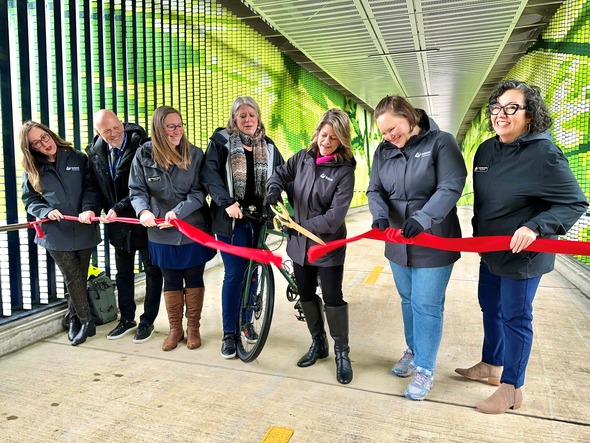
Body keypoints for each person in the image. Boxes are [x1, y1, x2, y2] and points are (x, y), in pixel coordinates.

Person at [455, 79, 588, 414]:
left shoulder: (545, 154)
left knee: (516, 317)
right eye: (497, 107)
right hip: (491, 251)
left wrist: (535, 226)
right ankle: (490, 365)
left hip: (524, 257)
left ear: (530, 116)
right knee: (490, 306)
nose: (502, 114)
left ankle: (512, 389)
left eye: (512, 107)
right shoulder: (486, 150)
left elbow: (574, 203)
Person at [366, 95, 467, 400]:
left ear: (409, 118)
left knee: (426, 304)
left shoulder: (441, 143)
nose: (388, 137)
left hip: (432, 241)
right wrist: (380, 216)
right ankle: (413, 350)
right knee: (408, 300)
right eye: (383, 133)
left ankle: (425, 369)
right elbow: (375, 189)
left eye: (393, 129)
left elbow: (451, 185)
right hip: (398, 243)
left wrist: (423, 218)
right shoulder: (383, 152)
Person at [266, 108, 356, 384]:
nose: (326, 141)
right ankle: (319, 343)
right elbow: (279, 174)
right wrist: (273, 188)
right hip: (299, 244)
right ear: (317, 132)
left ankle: (342, 353)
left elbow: (334, 217)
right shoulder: (303, 158)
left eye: (333, 138)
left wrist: (302, 225)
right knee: (304, 294)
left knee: (332, 298)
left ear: (342, 141)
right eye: (324, 135)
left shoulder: (344, 172)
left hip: (326, 245)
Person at [201, 96, 287, 359]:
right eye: (242, 116)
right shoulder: (221, 142)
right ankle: (229, 333)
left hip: (258, 220)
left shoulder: (269, 147)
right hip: (232, 220)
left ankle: (247, 320)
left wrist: (283, 206)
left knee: (253, 275)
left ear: (258, 118)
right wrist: (226, 202)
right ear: (234, 119)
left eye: (252, 115)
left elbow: (282, 176)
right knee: (236, 274)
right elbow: (209, 176)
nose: (248, 120)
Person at [129, 105, 215, 351]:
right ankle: (175, 329)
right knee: (171, 280)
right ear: (159, 128)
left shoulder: (195, 154)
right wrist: (144, 211)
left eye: (180, 125)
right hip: (160, 232)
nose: (177, 131)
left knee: (194, 277)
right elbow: (137, 190)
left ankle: (193, 328)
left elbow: (200, 192)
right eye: (171, 127)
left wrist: (177, 213)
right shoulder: (143, 155)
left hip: (192, 229)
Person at [20, 121, 102, 346]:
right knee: (73, 275)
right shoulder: (33, 169)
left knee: (79, 276)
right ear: (31, 148)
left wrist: (88, 209)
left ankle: (72, 317)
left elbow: (91, 188)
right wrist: (46, 210)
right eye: (36, 143)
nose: (44, 144)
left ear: (50, 133)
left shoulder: (77, 157)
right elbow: (30, 200)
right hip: (55, 233)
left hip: (84, 227)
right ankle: (86, 321)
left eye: (44, 137)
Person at [87, 110, 163, 344]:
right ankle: (126, 318)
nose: (113, 133)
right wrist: (93, 209)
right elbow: (96, 188)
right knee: (123, 274)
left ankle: (147, 320)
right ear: (98, 133)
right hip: (116, 224)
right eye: (105, 131)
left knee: (152, 271)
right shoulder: (95, 152)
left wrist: (119, 208)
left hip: (143, 218)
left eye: (115, 127)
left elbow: (144, 187)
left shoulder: (144, 145)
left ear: (121, 121)